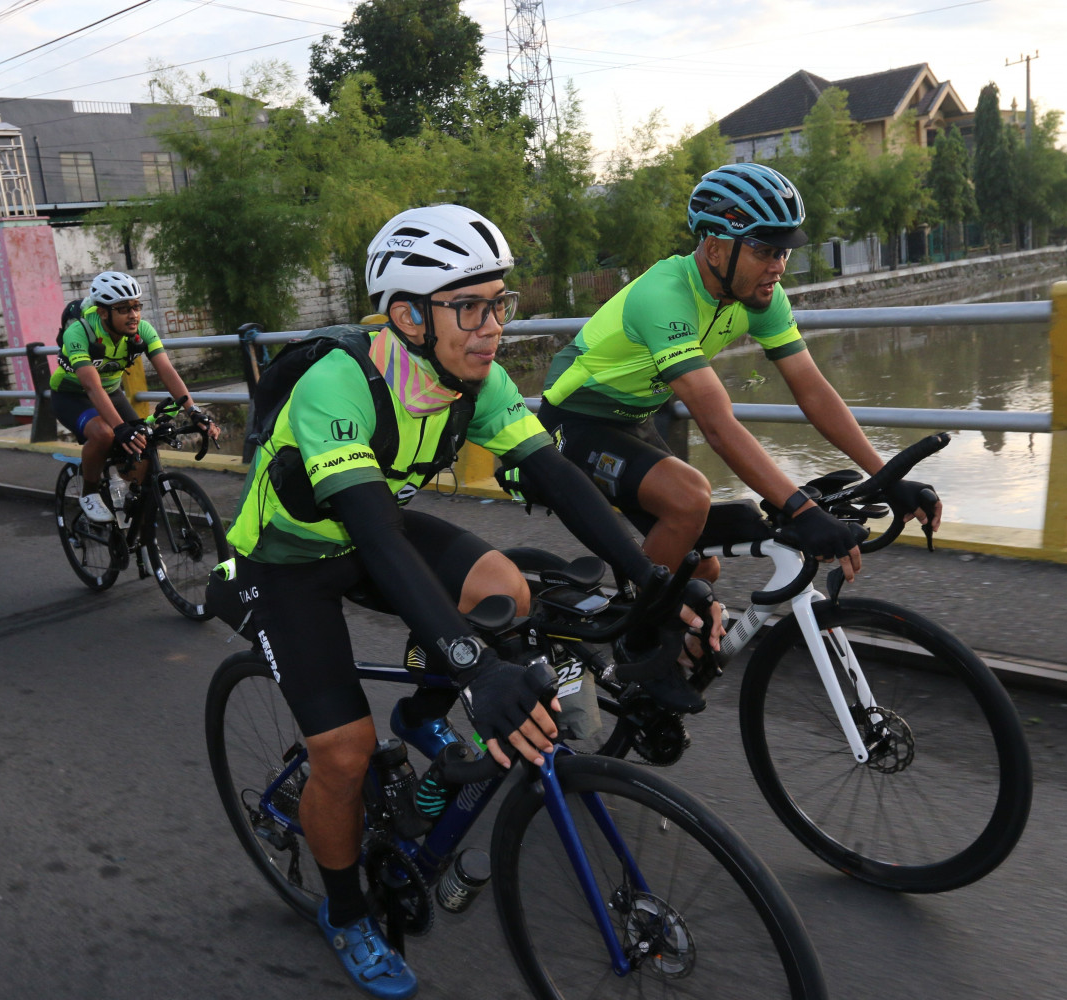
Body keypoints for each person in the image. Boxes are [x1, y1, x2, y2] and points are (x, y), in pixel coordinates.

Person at [218, 204, 717, 999]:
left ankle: (421, 716)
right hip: (286, 561)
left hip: (370, 529)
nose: (493, 328)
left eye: (499, 304)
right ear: (408, 317)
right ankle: (345, 913)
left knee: (505, 589)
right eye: (471, 308)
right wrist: (474, 669)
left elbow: (556, 476)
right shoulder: (338, 383)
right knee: (343, 754)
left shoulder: (472, 379)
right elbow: (378, 538)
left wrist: (651, 579)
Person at [539, 162, 942, 586]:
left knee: (700, 569)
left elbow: (813, 392)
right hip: (574, 421)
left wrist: (886, 477)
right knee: (689, 498)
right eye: (764, 251)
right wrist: (801, 510)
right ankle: (640, 622)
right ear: (715, 249)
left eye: (783, 252)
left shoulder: (760, 297)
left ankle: (660, 619)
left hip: (633, 419)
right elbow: (717, 424)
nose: (778, 266)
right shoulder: (664, 296)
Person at [48, 271, 216, 523]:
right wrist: (120, 428)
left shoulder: (143, 330)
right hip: (72, 395)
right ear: (103, 312)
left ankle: (135, 520)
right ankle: (90, 493)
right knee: (105, 434)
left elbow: (167, 371)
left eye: (136, 306)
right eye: (124, 309)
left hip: (111, 393)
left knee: (143, 446)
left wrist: (194, 411)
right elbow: (92, 387)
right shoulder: (79, 332)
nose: (133, 314)